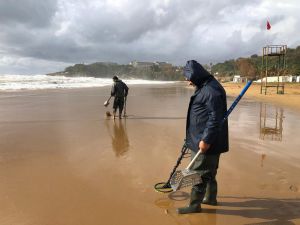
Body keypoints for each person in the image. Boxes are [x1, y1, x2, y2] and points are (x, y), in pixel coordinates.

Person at [177, 60, 229, 214]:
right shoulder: (205, 86)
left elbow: (215, 119)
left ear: (196, 75)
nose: (187, 80)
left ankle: (194, 205)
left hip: (207, 141)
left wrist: (206, 140)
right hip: (203, 138)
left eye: (188, 77)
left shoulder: (211, 91)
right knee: (209, 172)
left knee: (199, 174)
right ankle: (210, 198)